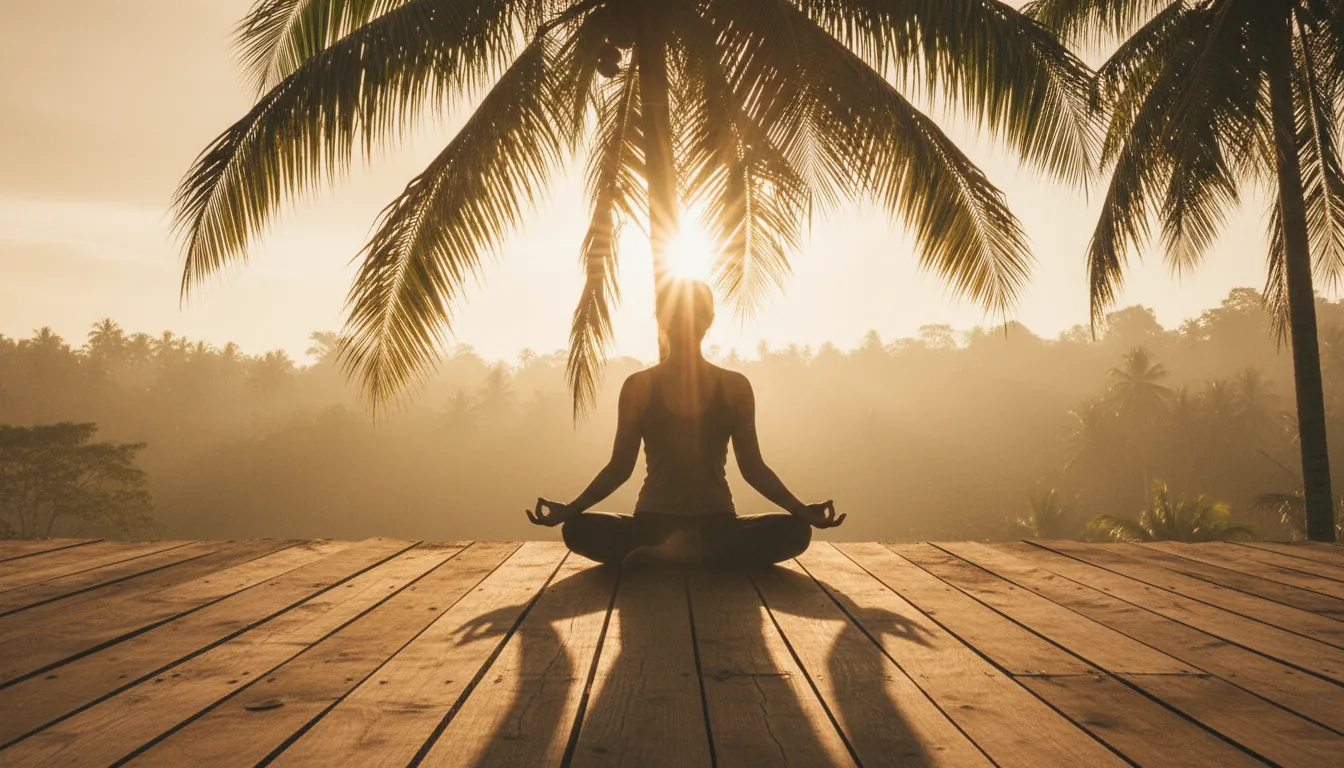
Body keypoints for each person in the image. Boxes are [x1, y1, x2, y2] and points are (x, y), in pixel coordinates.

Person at [526, 278, 844, 565]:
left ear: (662, 322)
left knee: (796, 530)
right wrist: (571, 511)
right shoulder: (651, 386)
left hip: (676, 527)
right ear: (710, 321)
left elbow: (621, 467)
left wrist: (799, 511)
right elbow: (752, 468)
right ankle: (706, 557)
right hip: (686, 527)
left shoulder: (727, 387)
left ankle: (675, 555)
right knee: (577, 528)